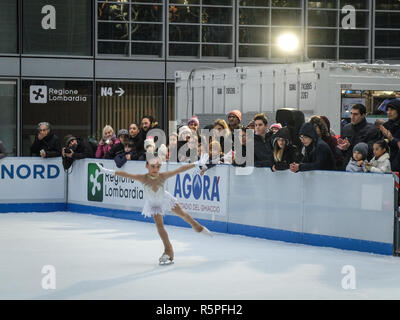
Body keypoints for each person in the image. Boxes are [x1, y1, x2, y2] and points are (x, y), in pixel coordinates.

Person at [96, 155, 212, 265]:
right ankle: (168, 250)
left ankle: (197, 226)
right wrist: (107, 171)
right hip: (154, 204)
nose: (155, 169)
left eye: (158, 166)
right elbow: (125, 174)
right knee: (160, 226)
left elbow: (180, 169)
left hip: (164, 199)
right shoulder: (142, 178)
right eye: (152, 166)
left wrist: (196, 163)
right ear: (147, 166)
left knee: (182, 213)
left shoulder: (162, 176)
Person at [337, 104, 380, 170]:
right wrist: (342, 147)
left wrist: (350, 146)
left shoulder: (372, 130)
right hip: (347, 165)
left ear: (363, 115)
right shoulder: (346, 128)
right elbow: (342, 152)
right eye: (351, 113)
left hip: (363, 166)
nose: (352, 117)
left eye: (355, 114)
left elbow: (371, 150)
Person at [378, 99, 400, 171]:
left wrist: (392, 139)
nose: (389, 112)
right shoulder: (385, 126)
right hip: (384, 165)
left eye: (392, 110)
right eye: (387, 110)